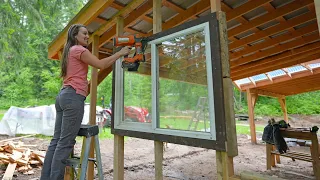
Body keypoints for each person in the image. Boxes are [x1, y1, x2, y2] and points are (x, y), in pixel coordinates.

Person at [40, 24, 130, 180]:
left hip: (63, 96)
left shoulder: (69, 51)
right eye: (85, 34)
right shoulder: (80, 50)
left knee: (56, 141)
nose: (87, 36)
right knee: (65, 144)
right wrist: (120, 53)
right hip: (73, 97)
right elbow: (101, 65)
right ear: (75, 35)